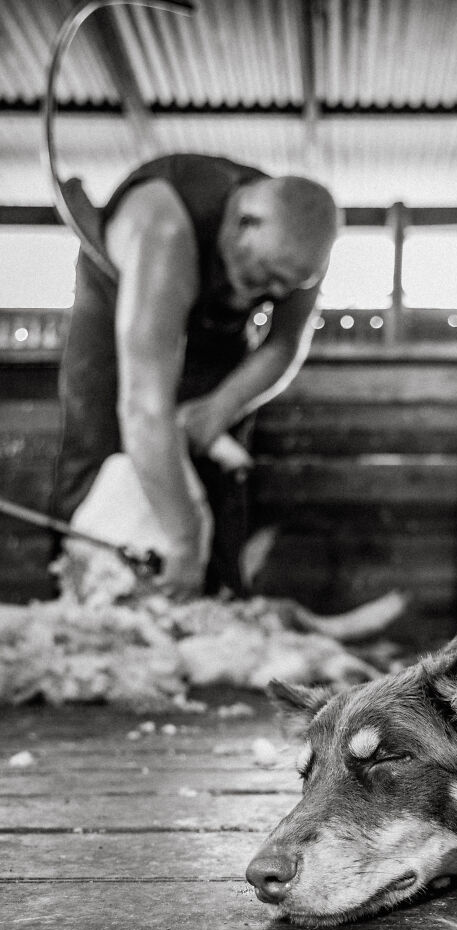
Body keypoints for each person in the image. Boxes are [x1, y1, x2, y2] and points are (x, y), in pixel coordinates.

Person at [52, 154, 338, 599]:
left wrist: (218, 410)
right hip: (120, 319)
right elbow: (144, 408)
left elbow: (283, 345)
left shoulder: (297, 244)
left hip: (215, 340)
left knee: (215, 478)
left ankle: (214, 604)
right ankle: (83, 602)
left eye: (289, 285)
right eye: (265, 276)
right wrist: (185, 540)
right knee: (101, 447)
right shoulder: (163, 227)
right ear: (245, 223)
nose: (276, 295)